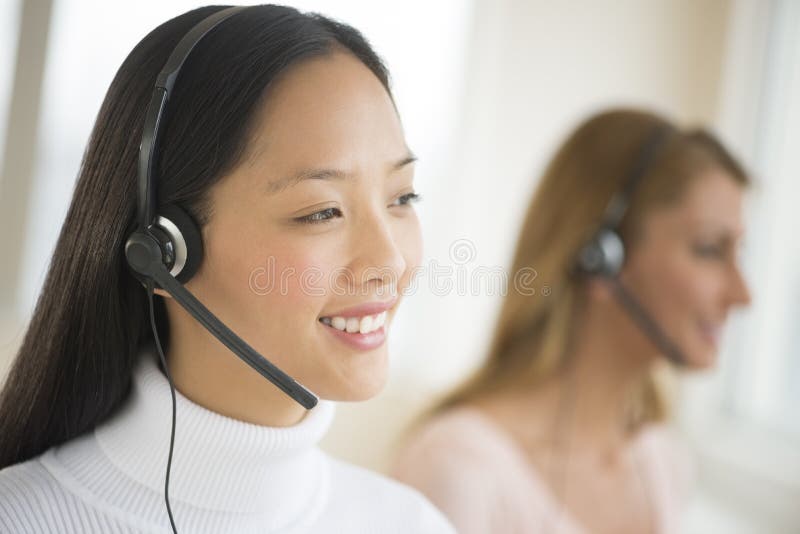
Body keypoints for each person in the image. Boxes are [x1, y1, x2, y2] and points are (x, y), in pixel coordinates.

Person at [0, 5, 455, 533]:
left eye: (403, 197)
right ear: (164, 249)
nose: (390, 262)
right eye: (322, 212)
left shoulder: (412, 524)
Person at [391, 109, 752, 534]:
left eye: (738, 252)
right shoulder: (459, 468)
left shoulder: (664, 460)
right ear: (597, 256)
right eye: (710, 249)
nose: (742, 294)